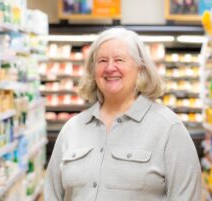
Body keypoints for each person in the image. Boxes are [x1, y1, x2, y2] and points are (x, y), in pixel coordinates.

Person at [44, 27, 202, 201]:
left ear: (140, 68)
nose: (110, 68)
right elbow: (52, 193)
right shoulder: (72, 129)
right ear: (93, 70)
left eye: (119, 60)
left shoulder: (169, 129)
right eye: (102, 61)